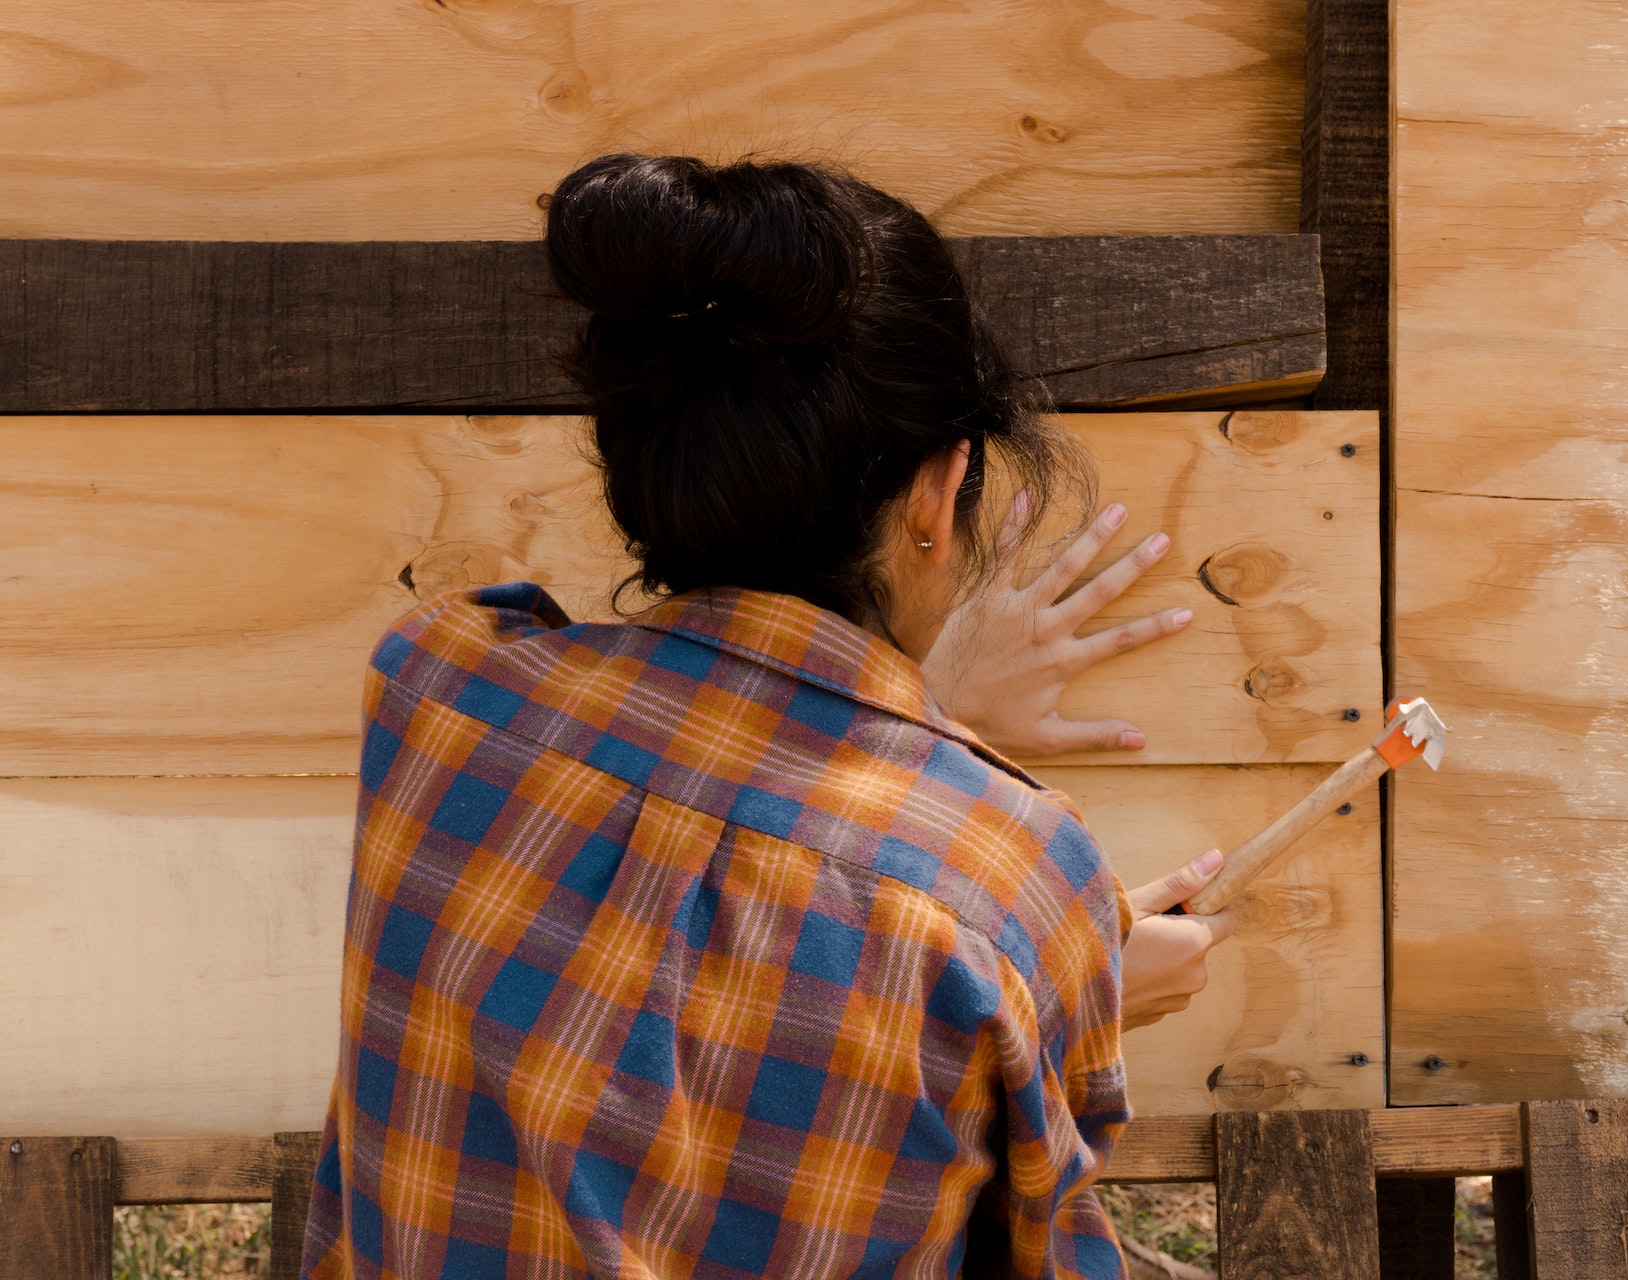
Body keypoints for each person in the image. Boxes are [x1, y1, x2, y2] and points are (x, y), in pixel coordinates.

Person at [300, 153, 1237, 1280]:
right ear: (938, 493)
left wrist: (927, 723)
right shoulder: (1008, 888)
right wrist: (1064, 989)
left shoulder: (436, 685)